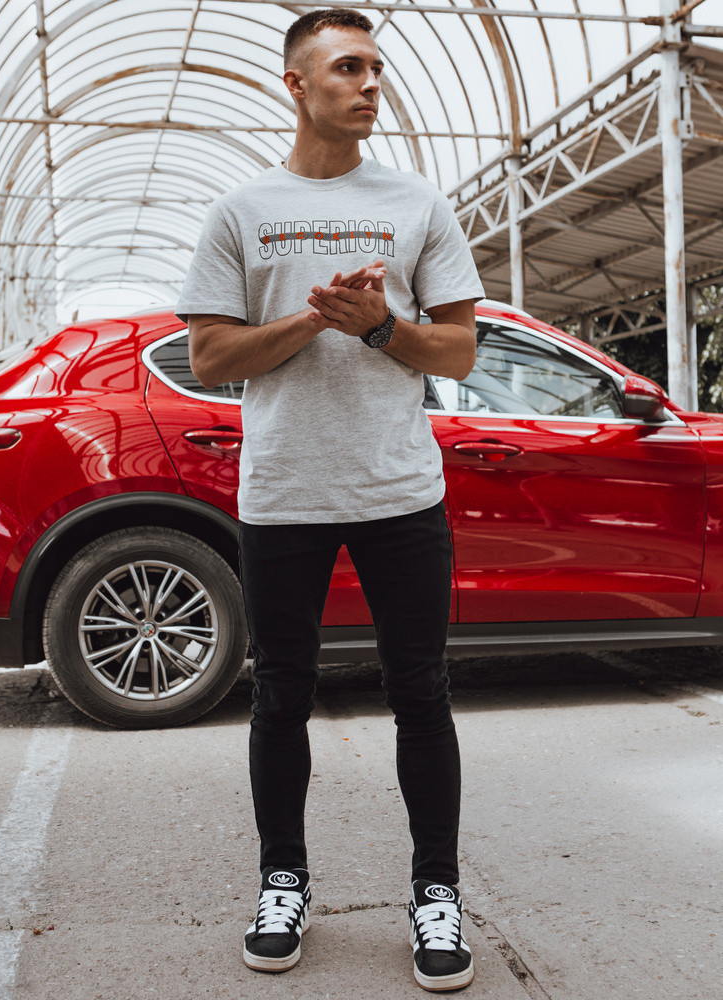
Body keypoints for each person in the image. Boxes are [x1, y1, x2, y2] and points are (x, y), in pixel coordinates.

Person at [174, 7, 485, 991]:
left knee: (421, 692)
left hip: (400, 490)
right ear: (297, 83)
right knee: (280, 694)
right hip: (285, 494)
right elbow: (209, 355)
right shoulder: (241, 210)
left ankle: (436, 891)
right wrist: (314, 321)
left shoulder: (417, 203)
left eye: (377, 68)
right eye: (348, 67)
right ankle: (283, 881)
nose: (370, 83)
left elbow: (460, 350)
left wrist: (380, 328)